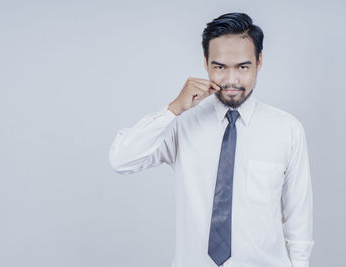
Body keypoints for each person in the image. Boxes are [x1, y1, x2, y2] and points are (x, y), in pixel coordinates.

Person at [108, 12, 314, 267]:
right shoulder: (181, 123)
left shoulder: (287, 129)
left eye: (242, 67)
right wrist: (173, 109)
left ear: (259, 62)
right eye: (220, 67)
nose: (231, 80)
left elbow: (298, 221)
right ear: (205, 63)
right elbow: (121, 160)